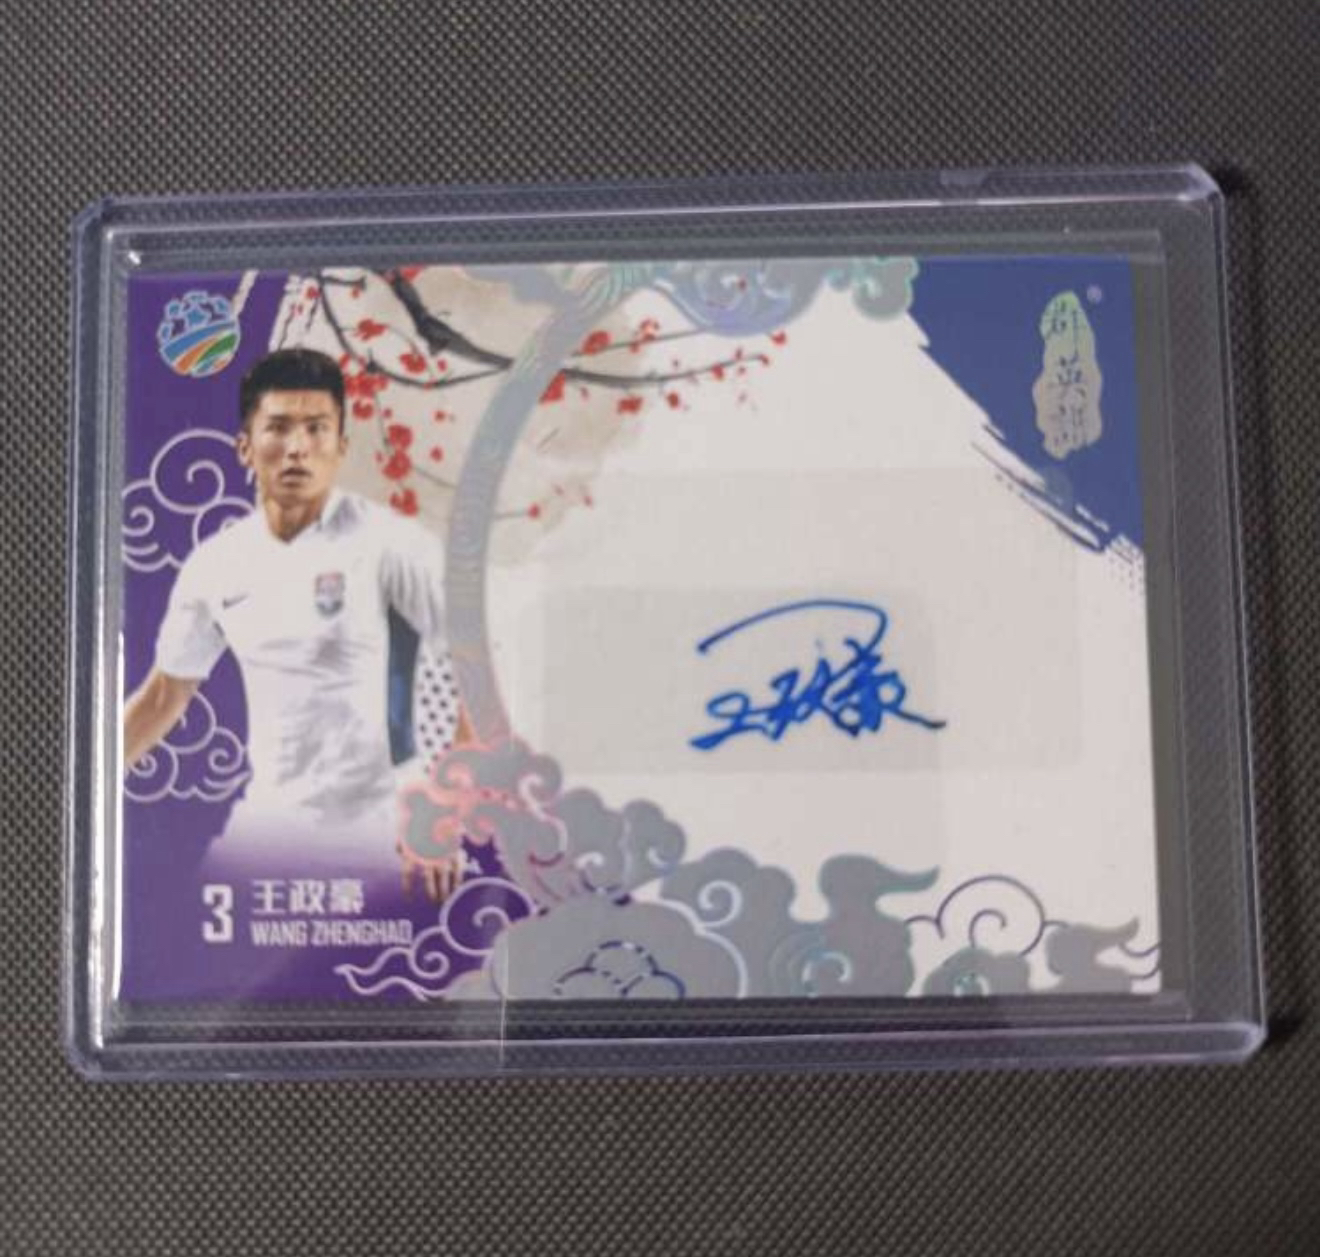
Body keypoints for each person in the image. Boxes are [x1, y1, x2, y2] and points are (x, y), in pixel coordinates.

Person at [123, 348, 464, 899]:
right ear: (245, 447)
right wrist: (79, 787)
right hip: (265, 828)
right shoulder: (216, 564)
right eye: (278, 428)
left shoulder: (393, 547)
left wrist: (441, 814)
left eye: (316, 428)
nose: (297, 447)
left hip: (384, 834)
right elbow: (164, 696)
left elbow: (476, 673)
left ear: (341, 446)